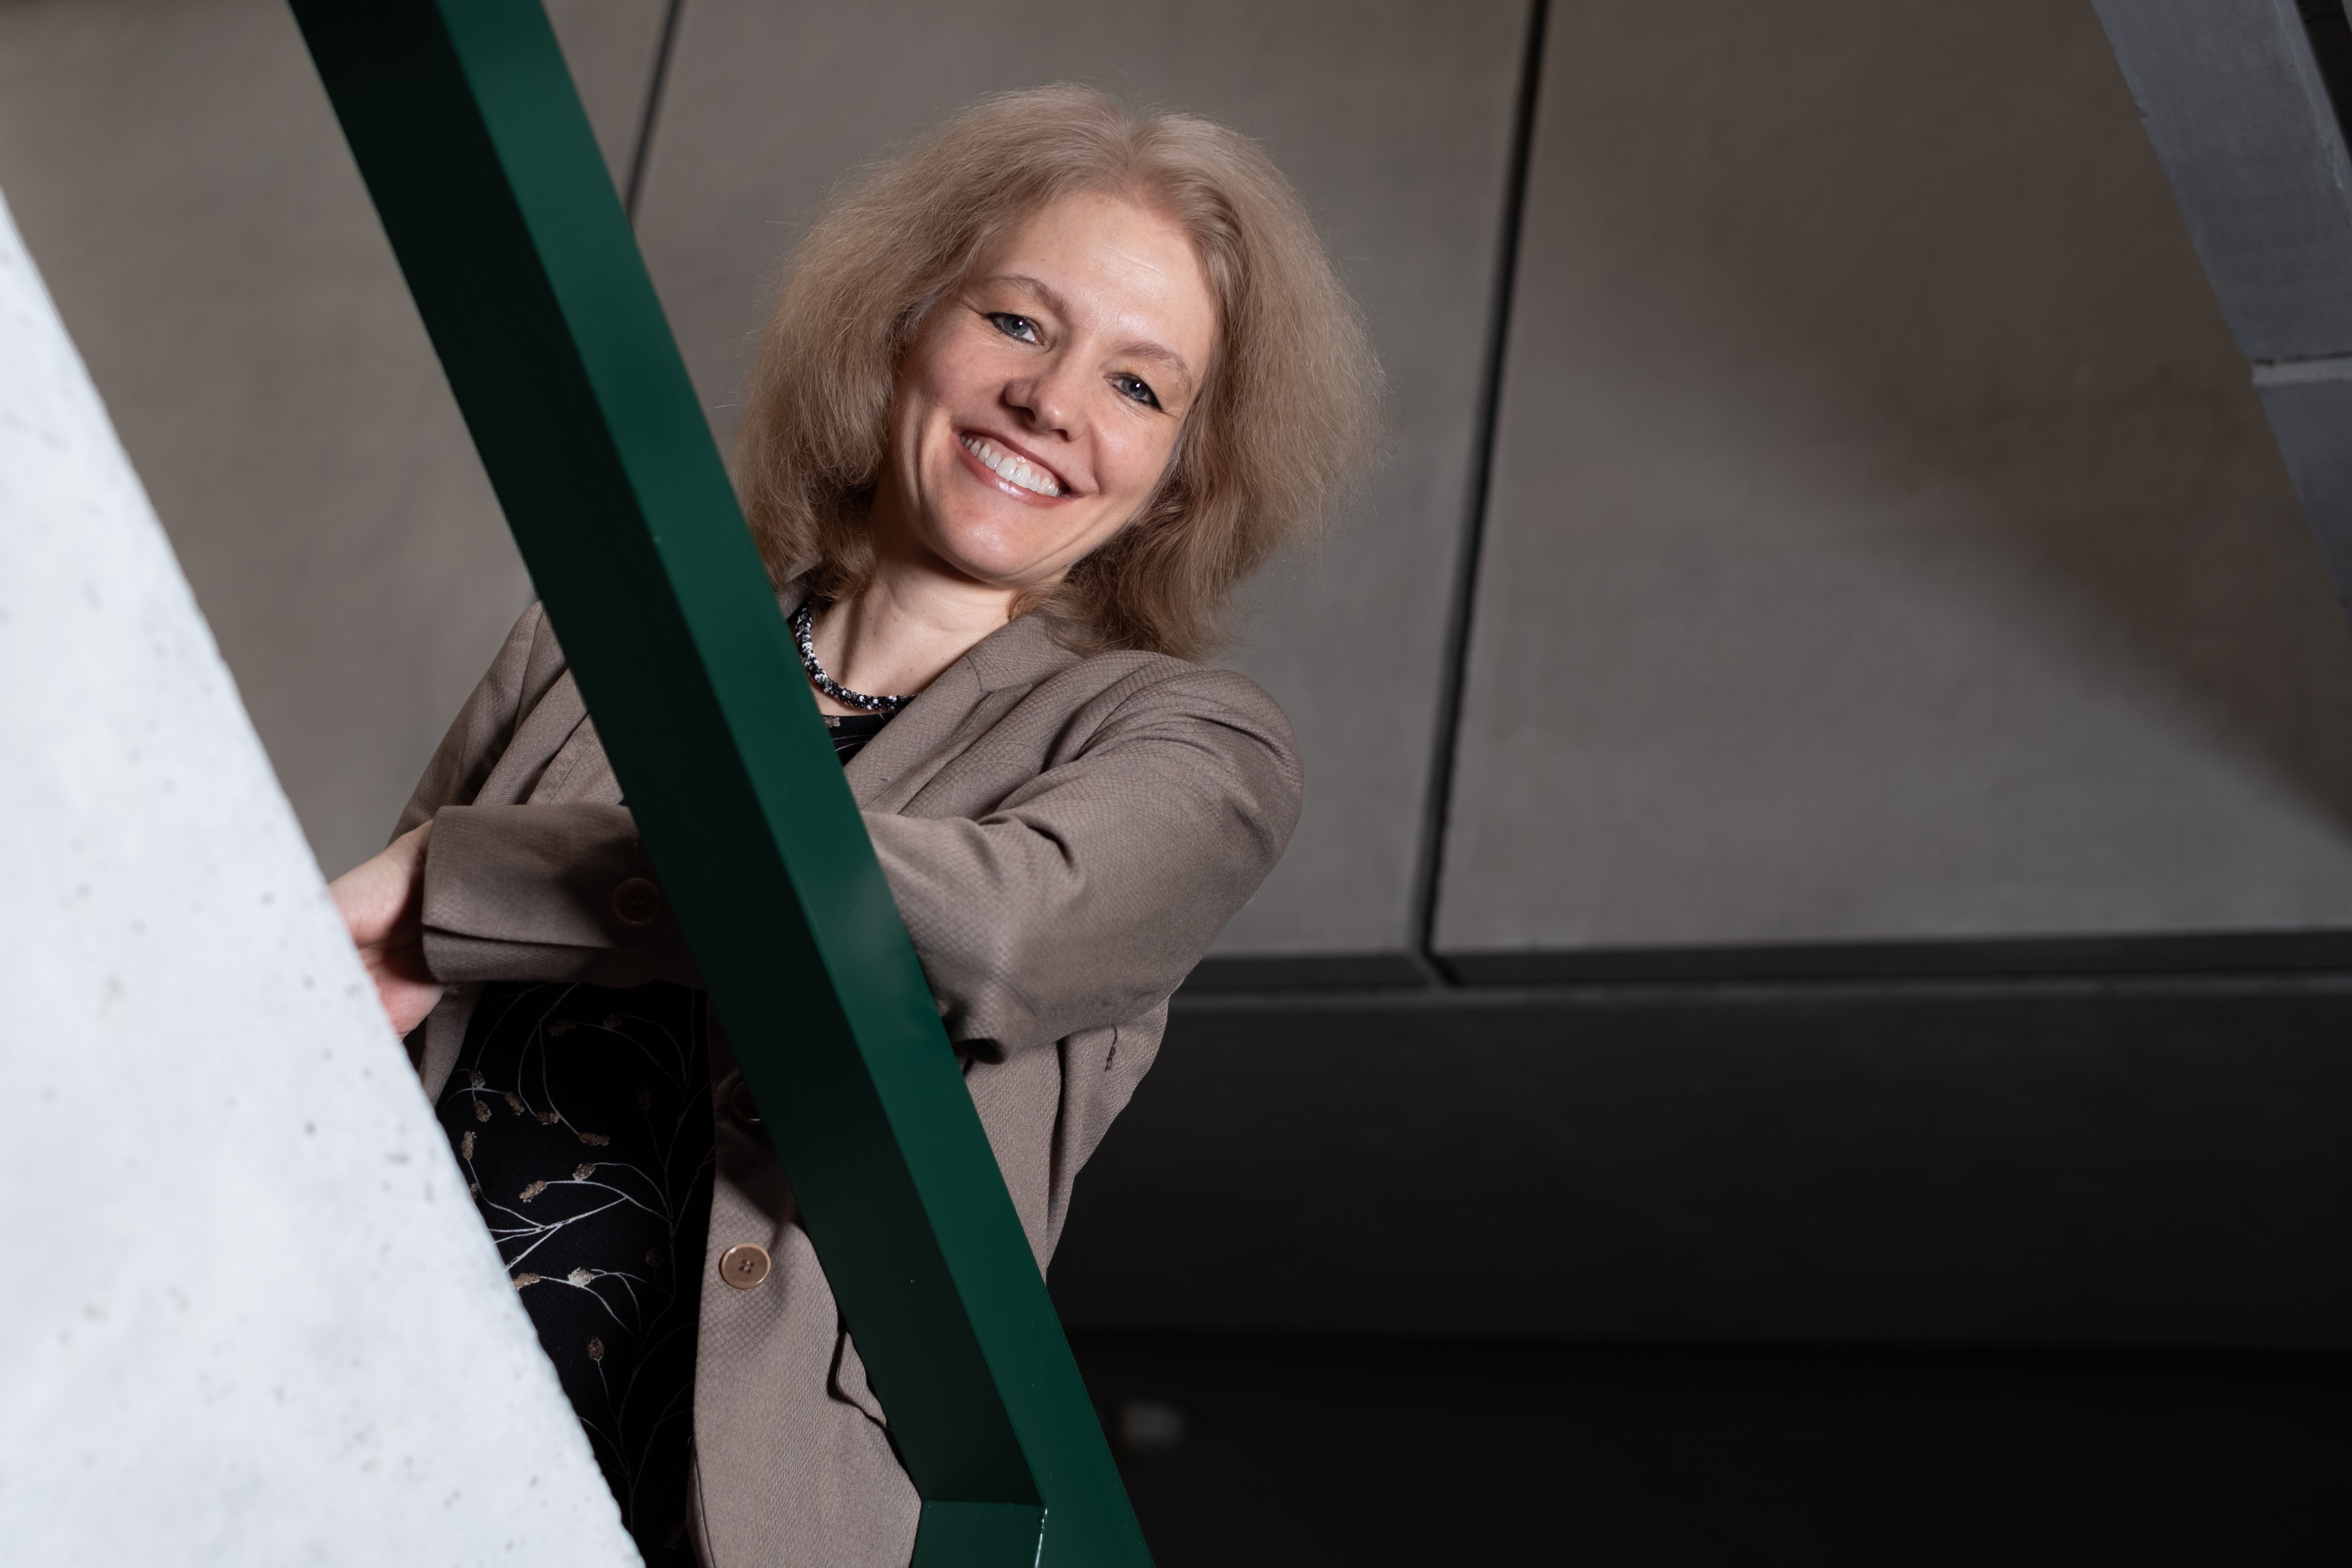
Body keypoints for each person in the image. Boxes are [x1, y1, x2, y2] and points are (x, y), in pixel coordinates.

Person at [327, 84, 1378, 1566]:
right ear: (903, 325)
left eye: (1141, 390)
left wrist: (481, 878)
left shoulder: (1191, 746)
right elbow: (356, 1025)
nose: (1054, 403)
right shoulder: (589, 645)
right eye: (1018, 323)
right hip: (354, 1413)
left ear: (1176, 486)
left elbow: (993, 935)